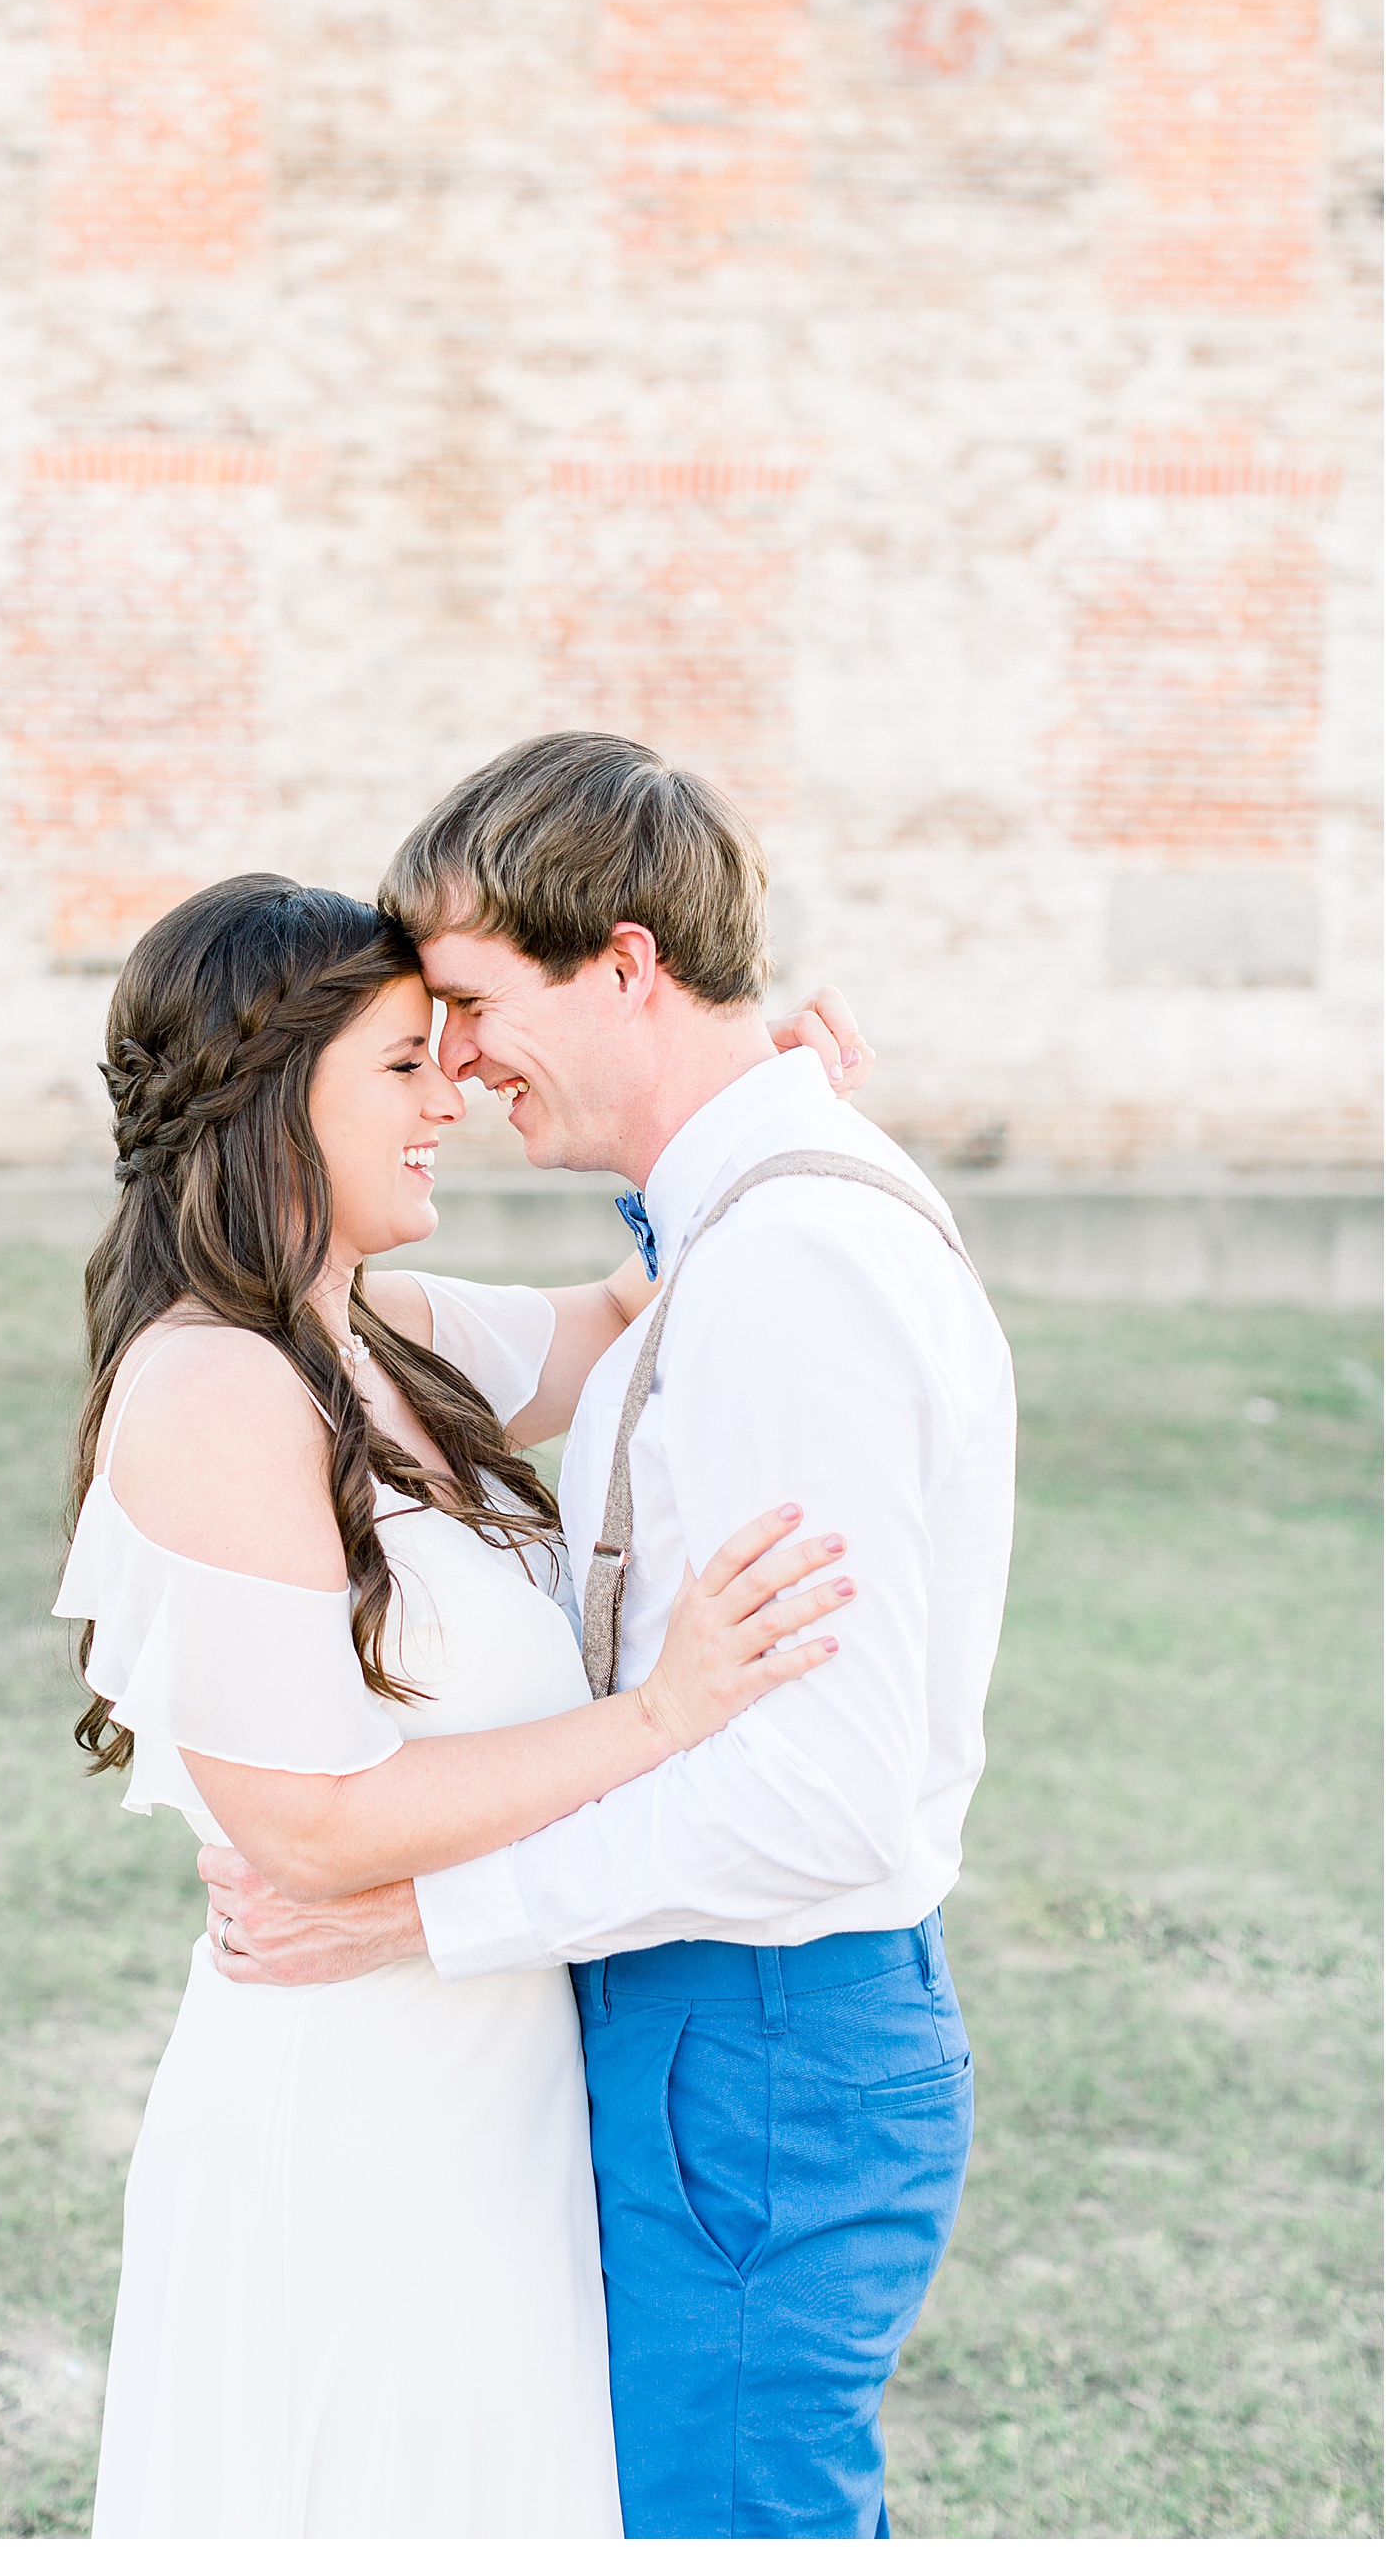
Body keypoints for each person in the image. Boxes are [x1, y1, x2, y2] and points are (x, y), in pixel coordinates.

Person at [200, 734, 1018, 2541]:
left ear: (626, 963)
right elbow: (621, 1305)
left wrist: (420, 1918)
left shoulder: (796, 1264)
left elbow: (821, 1803)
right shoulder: (747, 1227)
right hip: (706, 2018)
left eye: (478, 1004)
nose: (460, 1060)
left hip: (755, 2031)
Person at [56, 871, 863, 2539]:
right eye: (404, 1065)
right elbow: (307, 1824)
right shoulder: (214, 1384)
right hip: (351, 2111)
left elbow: (632, 1317)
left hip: (493, 2080)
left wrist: (759, 1110)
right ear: (278, 1092)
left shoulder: (380, 1337)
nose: (452, 1100)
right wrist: (661, 1714)